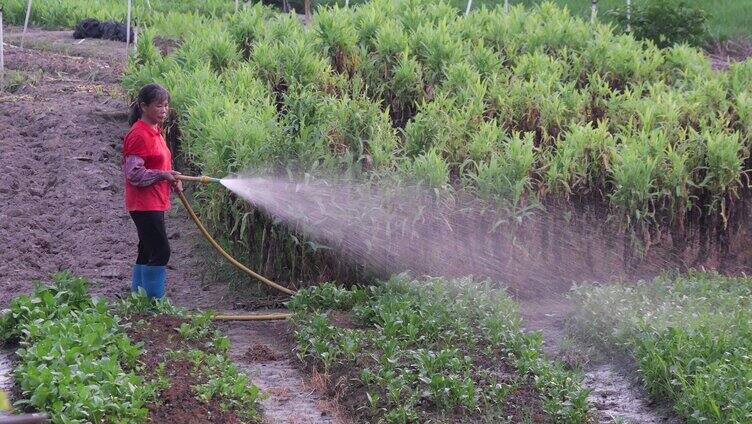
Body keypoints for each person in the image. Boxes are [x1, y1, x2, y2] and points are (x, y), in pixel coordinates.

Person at [122, 83, 181, 299]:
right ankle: (154, 304)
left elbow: (158, 163)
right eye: (158, 106)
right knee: (160, 251)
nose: (164, 110)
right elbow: (134, 174)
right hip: (143, 203)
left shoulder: (156, 131)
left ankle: (138, 300)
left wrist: (171, 176)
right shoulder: (138, 135)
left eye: (166, 106)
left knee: (146, 250)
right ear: (143, 106)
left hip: (154, 200)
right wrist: (162, 175)